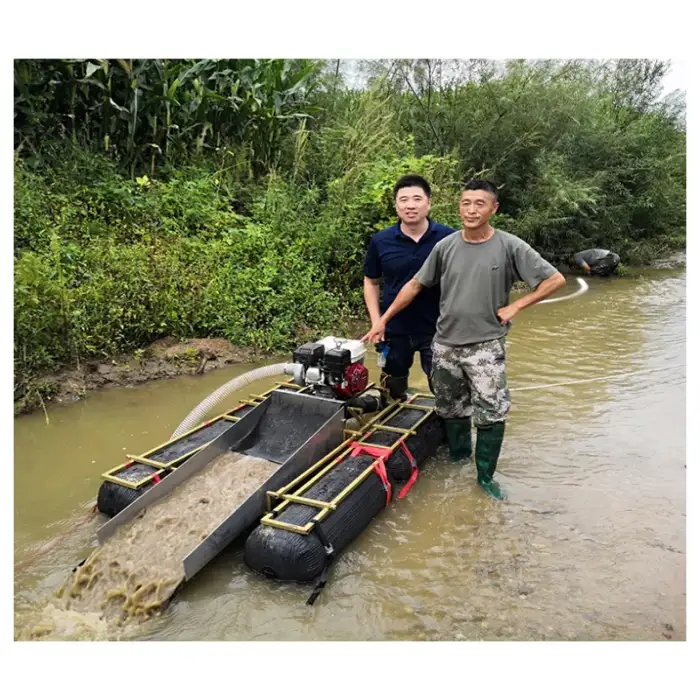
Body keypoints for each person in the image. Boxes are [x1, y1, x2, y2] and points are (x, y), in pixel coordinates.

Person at [362, 179, 566, 500]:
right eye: (466, 203)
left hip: (485, 345)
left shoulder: (510, 246)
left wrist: (517, 305)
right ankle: (459, 460)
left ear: (493, 209)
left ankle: (485, 478)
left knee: (492, 412)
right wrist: (382, 321)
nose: (471, 210)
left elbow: (555, 279)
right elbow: (415, 285)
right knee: (450, 408)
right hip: (444, 345)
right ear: (459, 206)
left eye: (479, 204)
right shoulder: (445, 247)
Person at [363, 174, 456, 405]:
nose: (410, 205)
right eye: (403, 200)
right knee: (392, 385)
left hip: (438, 326)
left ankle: (445, 430)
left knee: (444, 385)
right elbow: (371, 282)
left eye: (417, 199)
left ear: (429, 203)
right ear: (396, 205)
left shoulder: (449, 238)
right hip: (394, 328)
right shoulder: (381, 240)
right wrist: (377, 321)